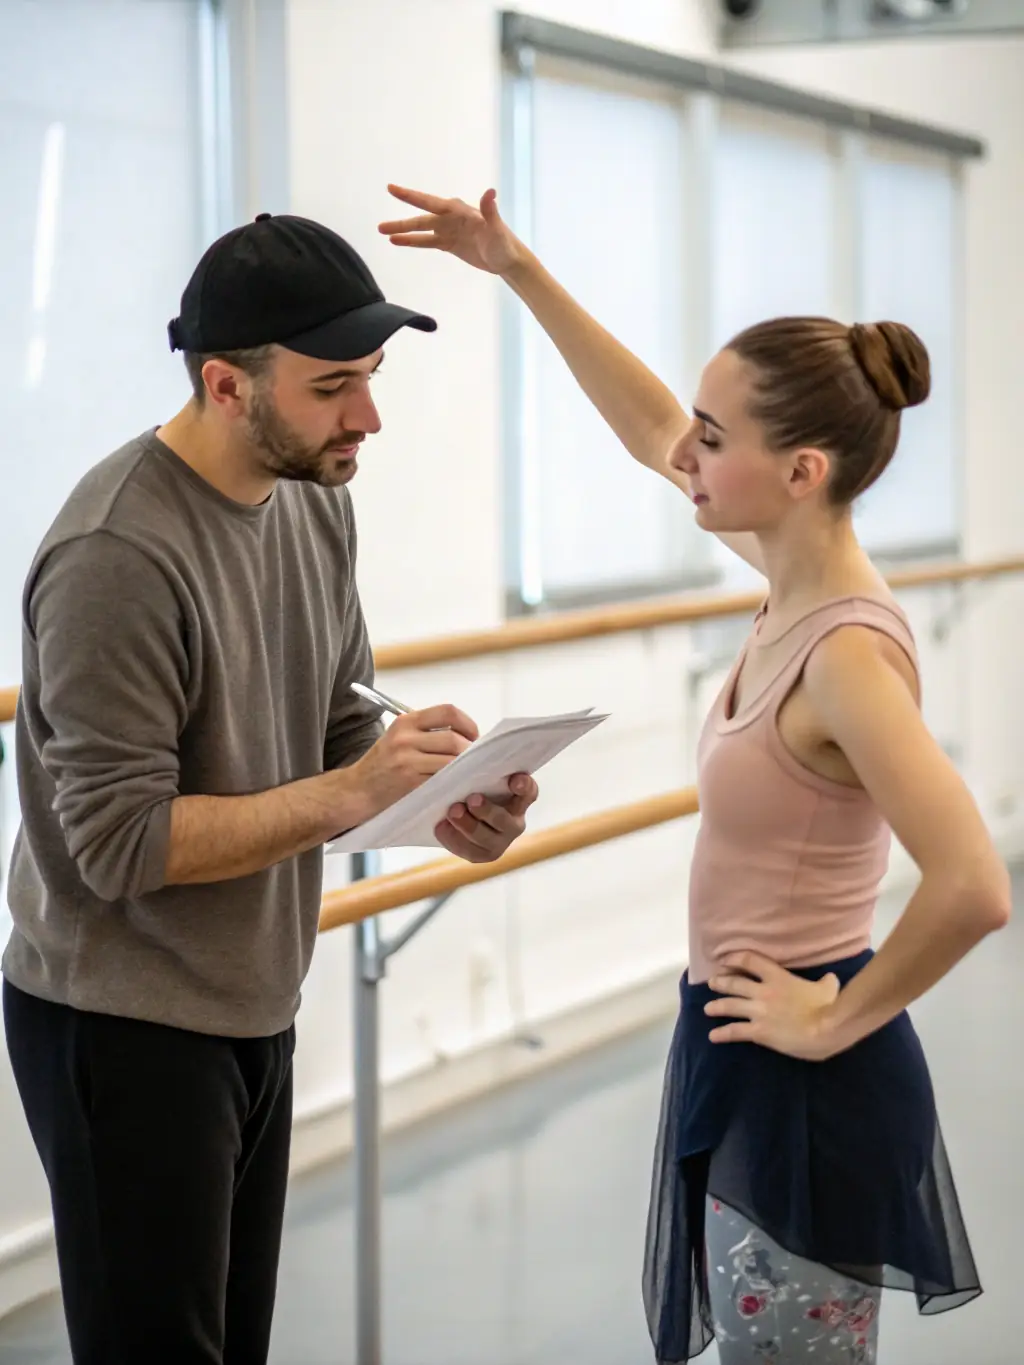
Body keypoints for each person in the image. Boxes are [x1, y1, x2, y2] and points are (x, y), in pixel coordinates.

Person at [378, 184, 1012, 1364]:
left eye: (716, 441)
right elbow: (646, 421)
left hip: (805, 1076)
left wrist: (833, 1022)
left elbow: (974, 883)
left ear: (803, 471)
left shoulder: (848, 655)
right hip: (739, 1046)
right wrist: (517, 269)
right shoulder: (788, 578)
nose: (687, 452)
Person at [1, 212, 539, 1365]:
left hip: (253, 1001)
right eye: (333, 385)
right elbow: (119, 845)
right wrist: (351, 794)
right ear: (226, 386)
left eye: (374, 377)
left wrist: (444, 808)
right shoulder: (116, 556)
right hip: (120, 1022)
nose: (368, 418)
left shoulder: (314, 497)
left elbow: (340, 721)